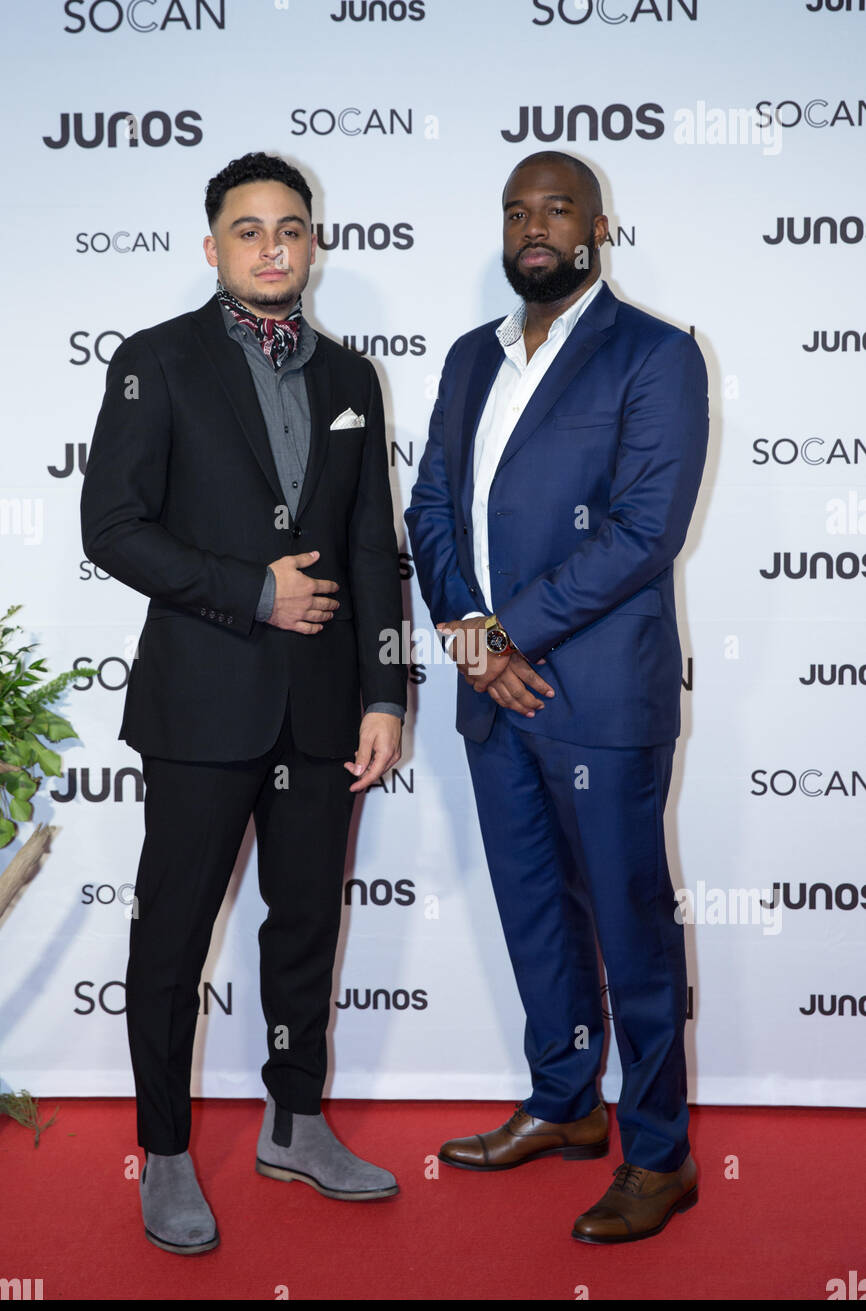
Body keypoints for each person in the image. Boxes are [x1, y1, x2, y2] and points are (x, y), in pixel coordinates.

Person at [81, 151, 406, 1255]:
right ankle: (164, 1149)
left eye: (291, 228)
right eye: (248, 228)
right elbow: (111, 529)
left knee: (305, 925)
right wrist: (248, 592)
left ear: (313, 244)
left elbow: (373, 548)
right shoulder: (155, 363)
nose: (273, 246)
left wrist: (383, 692)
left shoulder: (353, 378)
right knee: (171, 936)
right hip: (201, 706)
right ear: (211, 244)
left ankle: (294, 1120)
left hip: (321, 711)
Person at [405, 151, 709, 1244]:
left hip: (596, 698)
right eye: (515, 210)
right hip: (494, 695)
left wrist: (507, 631)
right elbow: (429, 505)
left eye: (557, 208)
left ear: (597, 228)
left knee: (628, 929)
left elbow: (642, 533)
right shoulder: (467, 357)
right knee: (536, 915)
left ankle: (661, 1155)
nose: (533, 227)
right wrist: (469, 635)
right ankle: (564, 1104)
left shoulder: (653, 355)